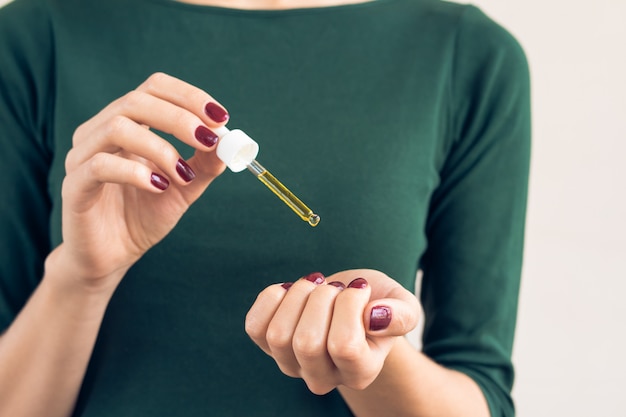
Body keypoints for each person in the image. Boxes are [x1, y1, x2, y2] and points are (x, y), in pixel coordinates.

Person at [0, 0, 531, 415]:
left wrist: (366, 358)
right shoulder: (34, 40)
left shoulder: (467, 57)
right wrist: (82, 275)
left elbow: (480, 395)